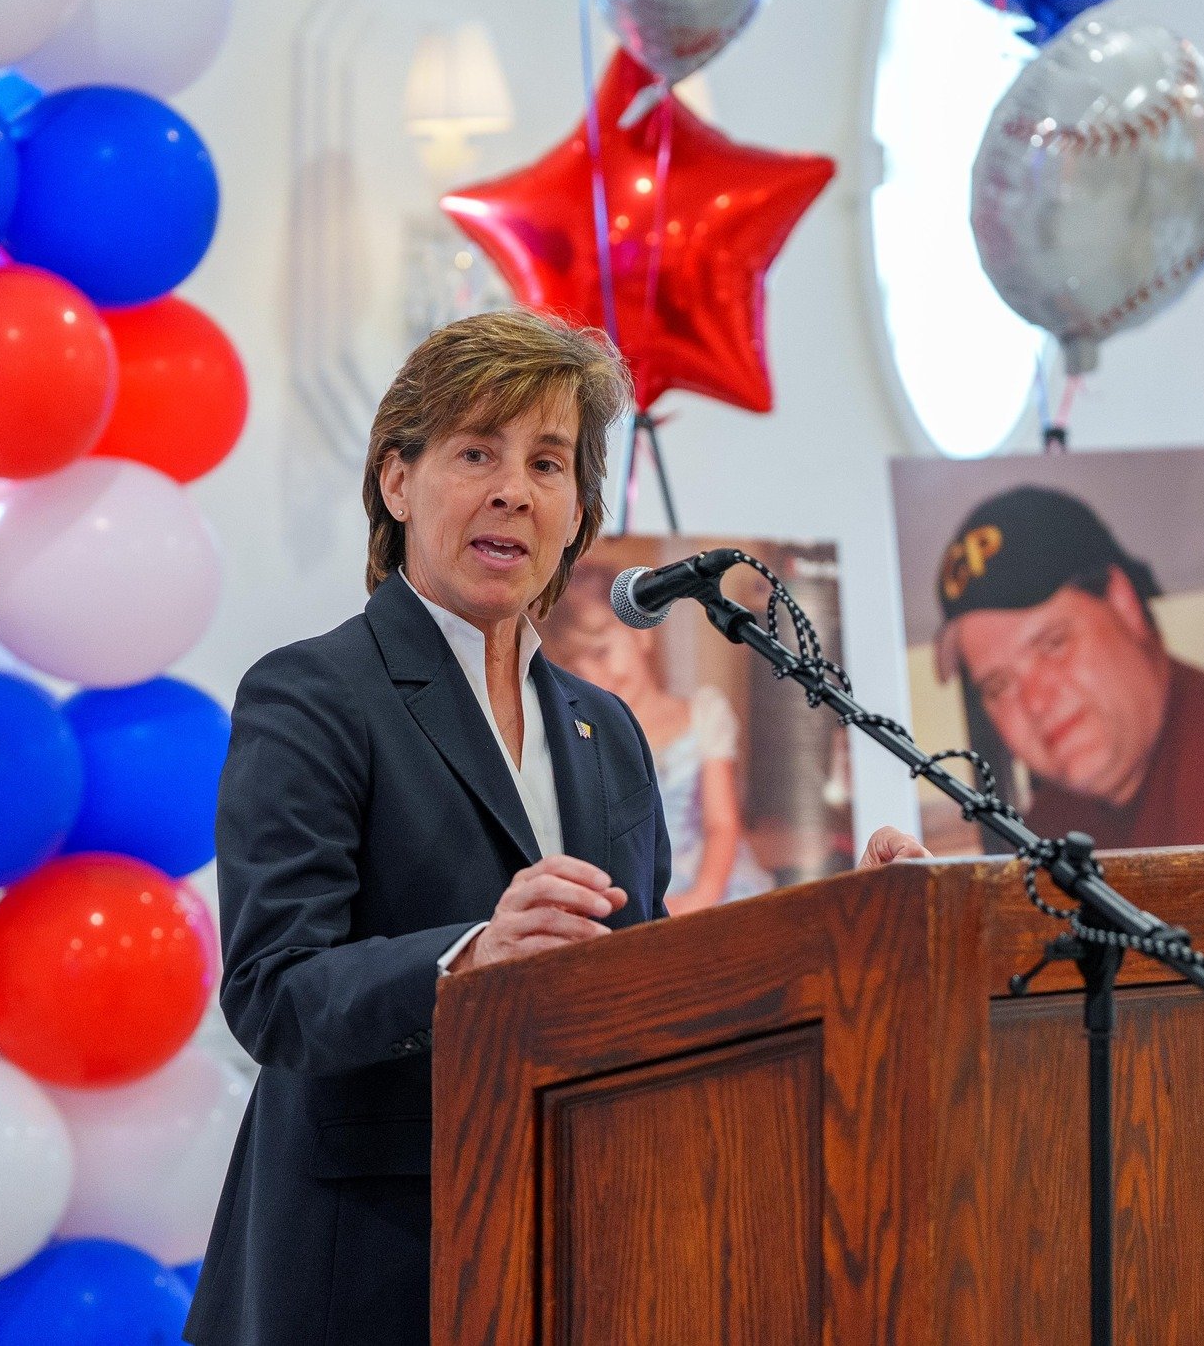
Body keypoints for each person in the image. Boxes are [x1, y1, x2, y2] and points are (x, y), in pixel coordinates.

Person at [190, 309, 928, 1346]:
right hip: (368, 1267)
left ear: (576, 509)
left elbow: (650, 981)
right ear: (397, 483)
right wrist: (467, 959)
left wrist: (837, 923)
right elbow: (272, 991)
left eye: (546, 462)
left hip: (579, 1240)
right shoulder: (313, 694)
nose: (511, 490)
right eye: (475, 453)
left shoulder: (606, 728)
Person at [933, 484, 1204, 851]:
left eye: (1052, 644)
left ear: (1123, 605)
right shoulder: (1051, 823)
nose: (1035, 702)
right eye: (999, 685)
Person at [540, 563, 775, 913]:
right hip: (634, 897)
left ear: (641, 635)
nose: (594, 675)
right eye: (575, 668)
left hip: (711, 886)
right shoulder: (583, 737)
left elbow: (721, 826)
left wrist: (701, 897)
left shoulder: (702, 713)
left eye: (601, 652)